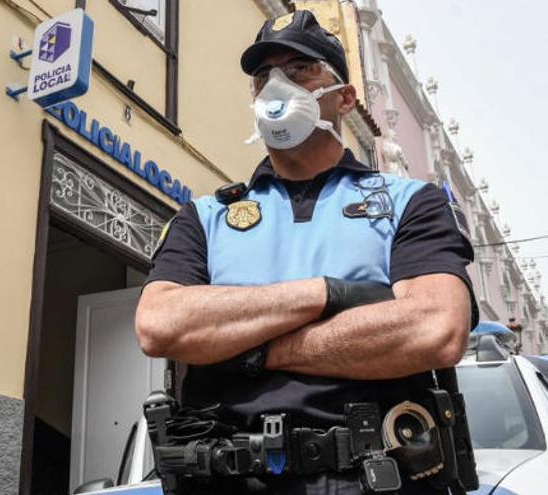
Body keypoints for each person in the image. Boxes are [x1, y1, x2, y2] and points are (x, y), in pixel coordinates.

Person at [136, 10, 477, 495]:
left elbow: (434, 330)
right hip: (229, 480)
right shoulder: (205, 216)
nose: (277, 87)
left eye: (300, 70)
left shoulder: (409, 203)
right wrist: (328, 294)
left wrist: (248, 351)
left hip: (375, 477)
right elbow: (160, 324)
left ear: (344, 97)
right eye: (263, 77)